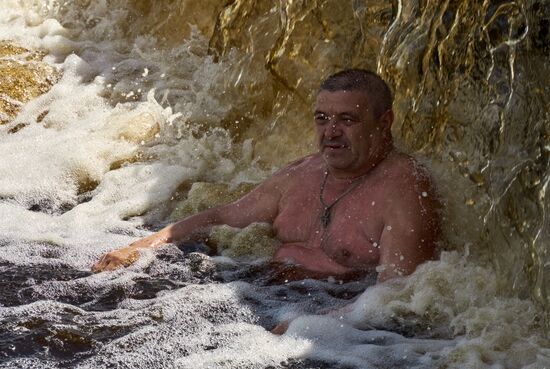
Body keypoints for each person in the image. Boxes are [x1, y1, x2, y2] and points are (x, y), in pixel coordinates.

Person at [92, 69, 440, 285]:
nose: (331, 132)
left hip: (340, 330)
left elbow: (397, 294)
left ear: (384, 122)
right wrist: (137, 249)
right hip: (260, 294)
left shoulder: (405, 190)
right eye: (322, 118)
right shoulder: (302, 173)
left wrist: (309, 329)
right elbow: (221, 216)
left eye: (347, 120)